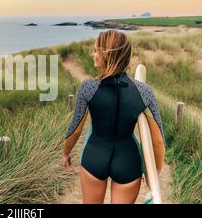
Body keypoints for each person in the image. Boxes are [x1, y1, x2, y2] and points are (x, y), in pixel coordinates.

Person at [62, 30, 165, 204]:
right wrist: (153, 173)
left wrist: (65, 153)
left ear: (106, 55)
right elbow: (158, 141)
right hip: (128, 161)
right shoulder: (144, 91)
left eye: (96, 50)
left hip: (94, 157)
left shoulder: (88, 88)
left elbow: (75, 129)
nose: (92, 54)